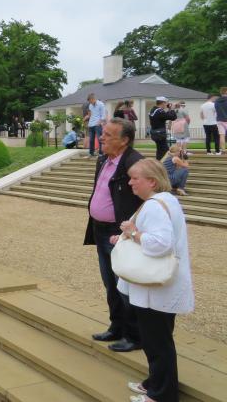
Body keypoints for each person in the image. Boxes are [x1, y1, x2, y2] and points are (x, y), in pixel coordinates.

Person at [110, 158, 194, 402]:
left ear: (152, 182)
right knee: (156, 339)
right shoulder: (164, 201)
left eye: (135, 178)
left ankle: (162, 394)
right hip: (157, 287)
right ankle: (155, 383)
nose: (130, 182)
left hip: (156, 288)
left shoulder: (155, 206)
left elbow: (159, 243)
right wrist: (127, 236)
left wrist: (133, 232)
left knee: (158, 342)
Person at [84, 117, 143, 352]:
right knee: (110, 282)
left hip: (119, 233)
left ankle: (134, 335)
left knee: (124, 284)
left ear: (125, 140)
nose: (101, 137)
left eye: (108, 135)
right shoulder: (104, 159)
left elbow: (147, 199)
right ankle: (116, 327)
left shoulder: (135, 163)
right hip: (100, 230)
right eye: (103, 133)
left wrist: (132, 230)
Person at [149, 97, 177, 161]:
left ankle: (158, 164)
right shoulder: (159, 111)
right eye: (166, 103)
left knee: (159, 150)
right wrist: (172, 109)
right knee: (165, 151)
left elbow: (165, 115)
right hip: (160, 134)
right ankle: (162, 166)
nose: (166, 105)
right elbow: (173, 117)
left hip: (155, 133)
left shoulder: (153, 109)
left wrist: (169, 109)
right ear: (163, 103)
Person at [215, 87, 227, 154]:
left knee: (222, 135)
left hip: (220, 119)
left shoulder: (217, 101)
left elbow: (216, 110)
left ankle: (223, 150)